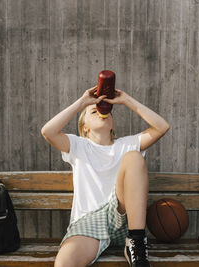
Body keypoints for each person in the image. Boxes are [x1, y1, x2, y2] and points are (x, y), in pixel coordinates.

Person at [41, 85, 170, 267]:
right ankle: (131, 242)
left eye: (107, 111)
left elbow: (162, 126)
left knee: (133, 157)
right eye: (93, 110)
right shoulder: (78, 146)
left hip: (125, 218)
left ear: (112, 124)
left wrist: (126, 100)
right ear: (84, 127)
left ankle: (136, 243)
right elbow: (48, 131)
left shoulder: (126, 144)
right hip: (90, 221)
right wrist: (83, 102)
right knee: (64, 263)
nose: (101, 111)